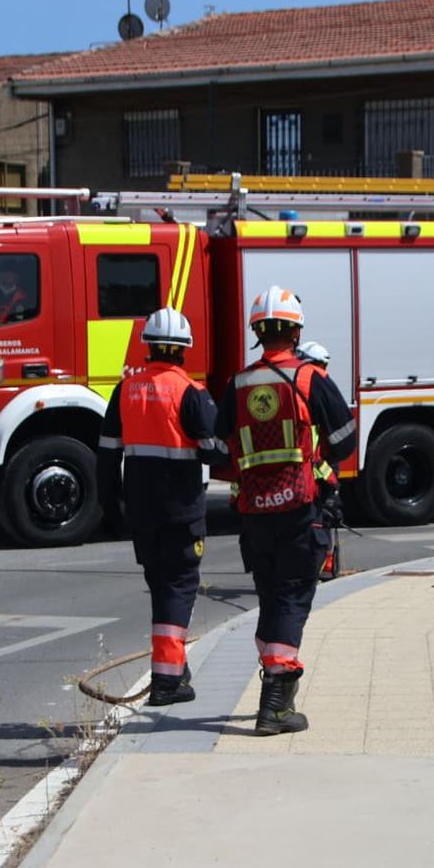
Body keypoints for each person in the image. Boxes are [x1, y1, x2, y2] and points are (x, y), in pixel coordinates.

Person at [218, 287, 357, 735]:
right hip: (300, 509)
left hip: (254, 512)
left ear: (258, 332)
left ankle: (274, 686)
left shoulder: (238, 384)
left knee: (272, 595)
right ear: (296, 331)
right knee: (293, 597)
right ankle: (276, 702)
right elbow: (345, 441)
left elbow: (219, 449)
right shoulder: (310, 379)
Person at [98, 307, 225, 707]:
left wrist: (111, 508)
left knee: (160, 587)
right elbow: (212, 452)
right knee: (179, 588)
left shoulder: (126, 390)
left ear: (147, 347)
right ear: (184, 349)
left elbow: (105, 456)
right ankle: (167, 680)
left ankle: (175, 666)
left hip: (141, 510)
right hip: (181, 511)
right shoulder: (191, 392)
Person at [295, 340, 344, 579]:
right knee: (319, 522)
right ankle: (318, 567)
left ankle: (319, 566)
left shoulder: (304, 385)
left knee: (317, 523)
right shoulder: (319, 386)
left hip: (308, 474)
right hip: (315, 473)